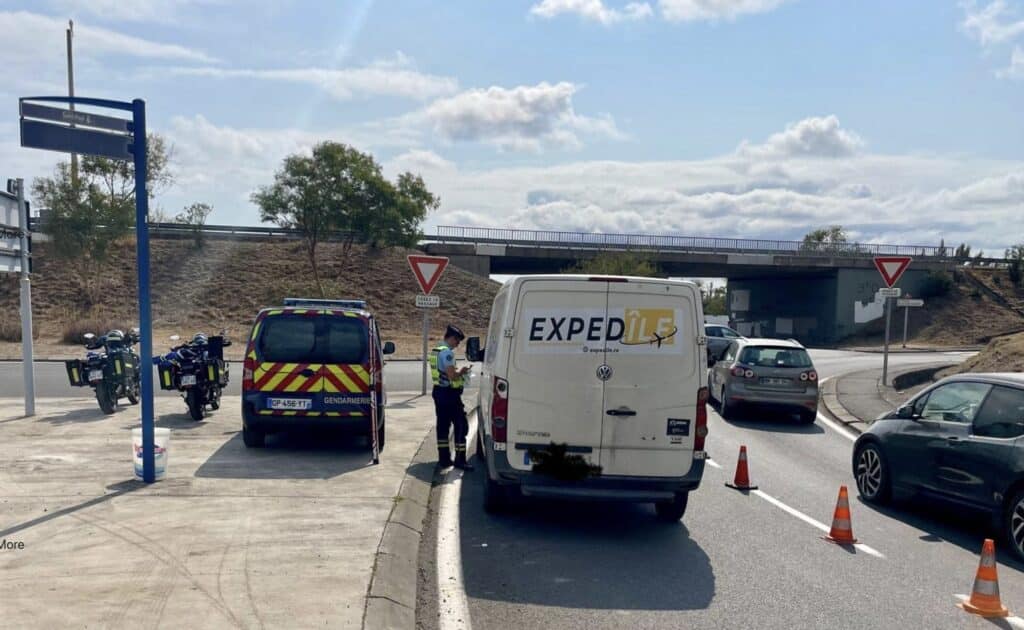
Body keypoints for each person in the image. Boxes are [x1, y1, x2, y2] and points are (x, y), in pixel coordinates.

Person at [430, 324, 472, 470]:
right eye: (457, 341)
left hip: (439, 392)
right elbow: (452, 375)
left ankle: (444, 459)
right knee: (461, 425)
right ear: (452, 338)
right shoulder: (447, 353)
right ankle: (460, 460)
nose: (457, 344)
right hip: (449, 394)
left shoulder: (436, 350)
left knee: (442, 426)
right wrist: (463, 371)